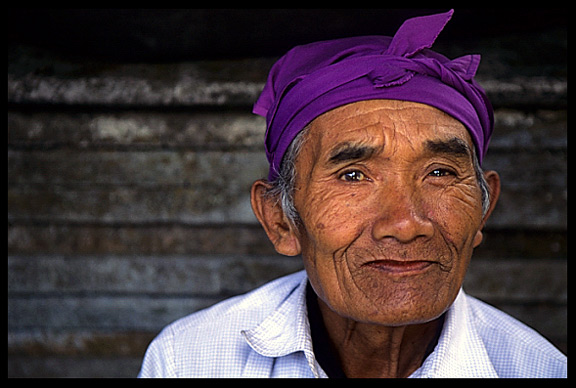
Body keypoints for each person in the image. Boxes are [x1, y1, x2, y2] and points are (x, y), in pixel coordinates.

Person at [138, 10, 567, 378]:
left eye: (439, 172)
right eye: (353, 176)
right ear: (281, 219)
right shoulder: (188, 359)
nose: (405, 224)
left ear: (484, 206)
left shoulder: (540, 368)